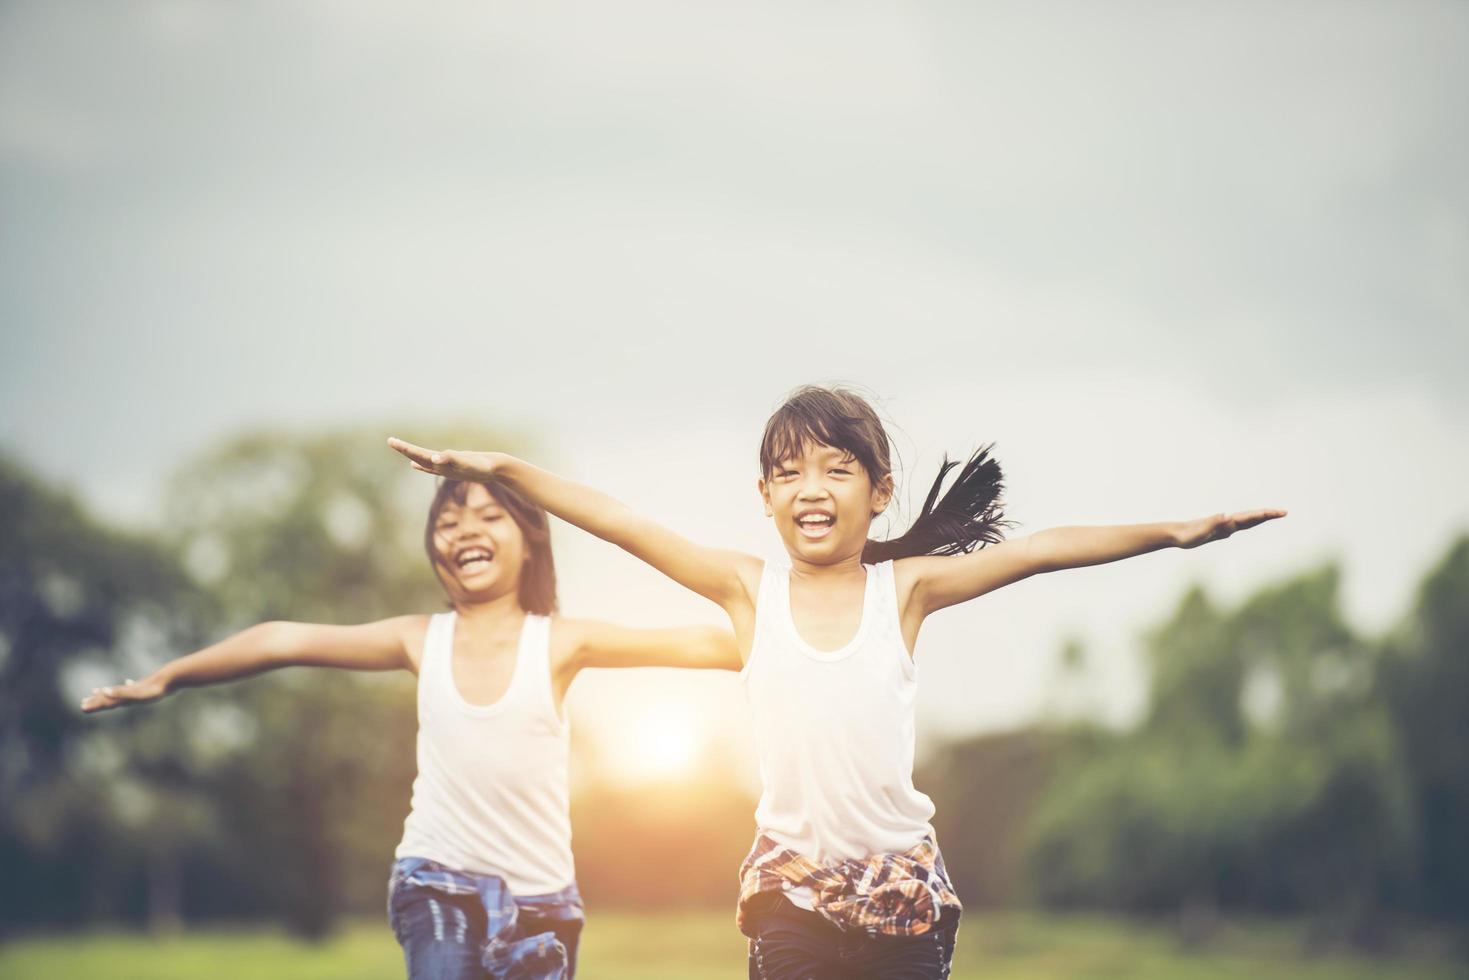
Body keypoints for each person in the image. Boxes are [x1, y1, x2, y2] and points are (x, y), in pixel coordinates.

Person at [387, 384, 1285, 979]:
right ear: (764, 496)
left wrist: (1174, 531)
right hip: (793, 894)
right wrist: (499, 471)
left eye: (834, 468)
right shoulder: (746, 589)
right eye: (787, 473)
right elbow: (619, 522)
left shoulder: (906, 589)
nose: (809, 488)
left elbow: (1041, 552)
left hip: (903, 897)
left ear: (878, 491)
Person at [83, 476, 740, 980]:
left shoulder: (561, 643)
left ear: (529, 538)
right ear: (435, 549)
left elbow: (708, 645)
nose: (463, 530)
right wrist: (168, 677)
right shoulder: (419, 640)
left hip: (546, 903)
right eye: (447, 522)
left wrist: (812, 632)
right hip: (437, 882)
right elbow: (282, 638)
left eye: (487, 516)